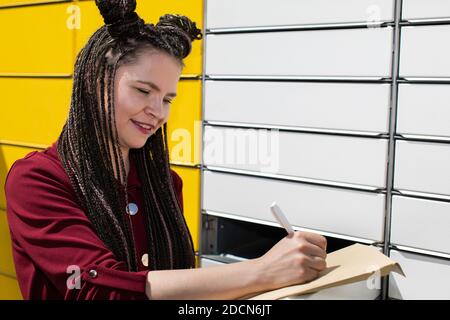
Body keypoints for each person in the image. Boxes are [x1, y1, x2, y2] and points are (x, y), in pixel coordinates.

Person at [4, 0, 327, 300]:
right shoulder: (37, 179)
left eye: (168, 99)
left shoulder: (164, 183)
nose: (157, 111)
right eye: (143, 90)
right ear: (93, 82)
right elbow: (94, 287)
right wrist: (261, 272)